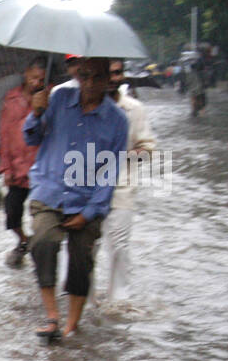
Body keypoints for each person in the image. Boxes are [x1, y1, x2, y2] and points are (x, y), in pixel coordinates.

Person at [23, 56, 129, 341]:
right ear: (77, 76)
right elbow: (32, 138)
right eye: (84, 76)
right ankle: (51, 316)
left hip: (86, 199)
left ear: (108, 81)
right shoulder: (57, 99)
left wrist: (91, 211)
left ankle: (71, 323)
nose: (90, 83)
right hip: (50, 191)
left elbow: (110, 173)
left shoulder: (118, 121)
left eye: (97, 77)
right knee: (43, 241)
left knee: (82, 257)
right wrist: (35, 113)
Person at [94, 59, 157, 306]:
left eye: (118, 73)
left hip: (122, 187)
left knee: (119, 245)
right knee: (86, 247)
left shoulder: (134, 109)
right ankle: (84, 299)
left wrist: (123, 154)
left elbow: (148, 148)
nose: (113, 78)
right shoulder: (84, 107)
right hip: (87, 186)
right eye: (108, 73)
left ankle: (119, 300)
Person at [0, 56, 45, 266]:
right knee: (12, 213)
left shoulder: (51, 97)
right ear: (25, 74)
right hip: (17, 166)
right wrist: (6, 167)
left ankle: (40, 249)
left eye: (41, 79)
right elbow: (5, 133)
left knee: (41, 215)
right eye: (34, 77)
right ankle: (24, 241)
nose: (37, 82)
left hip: (42, 168)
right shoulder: (12, 98)